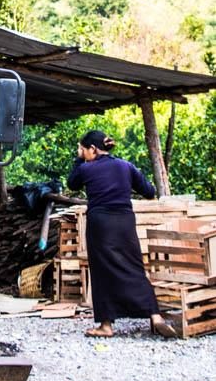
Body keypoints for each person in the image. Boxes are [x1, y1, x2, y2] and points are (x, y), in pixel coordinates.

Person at [67, 129, 176, 338]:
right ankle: (155, 316)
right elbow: (149, 191)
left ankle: (106, 325)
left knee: (102, 271)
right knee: (134, 266)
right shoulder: (126, 166)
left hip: (100, 224)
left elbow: (72, 183)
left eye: (83, 149)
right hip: (125, 222)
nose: (82, 153)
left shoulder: (86, 169)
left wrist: (78, 160)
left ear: (92, 149)